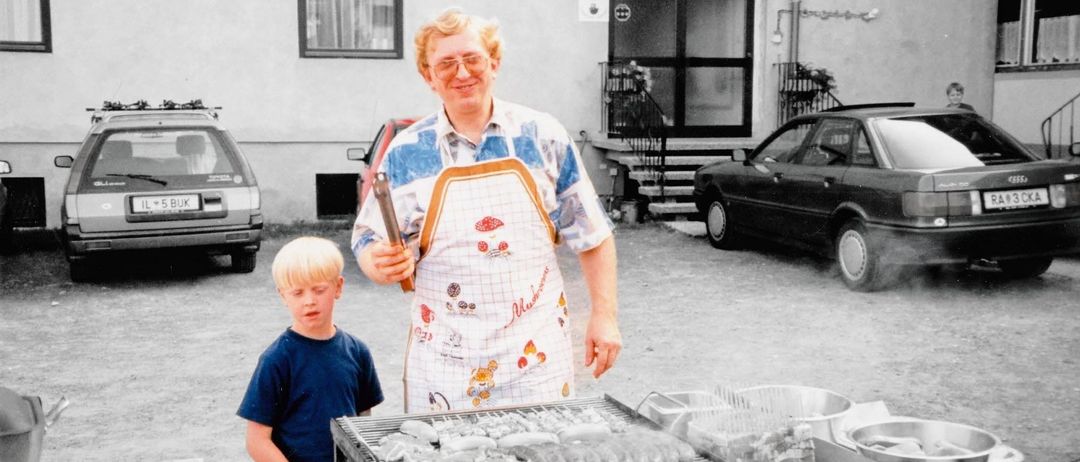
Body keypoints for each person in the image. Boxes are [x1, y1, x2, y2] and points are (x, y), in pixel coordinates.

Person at [351, 7, 621, 413]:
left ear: (493, 63)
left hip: (536, 358)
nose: (461, 73)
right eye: (446, 64)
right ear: (429, 77)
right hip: (445, 366)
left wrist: (605, 316)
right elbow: (367, 238)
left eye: (472, 59)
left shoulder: (541, 136)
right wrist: (378, 262)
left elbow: (593, 234)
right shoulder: (406, 151)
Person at [238, 236, 383, 461]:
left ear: (338, 287)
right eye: (297, 292)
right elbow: (257, 440)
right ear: (283, 296)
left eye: (319, 289)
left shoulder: (358, 352)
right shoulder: (276, 360)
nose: (309, 301)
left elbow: (364, 421)